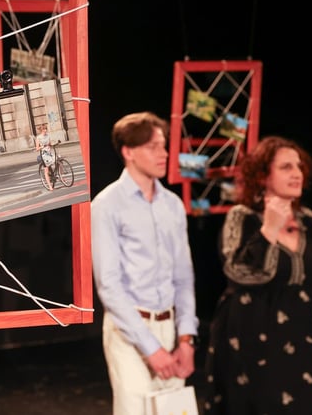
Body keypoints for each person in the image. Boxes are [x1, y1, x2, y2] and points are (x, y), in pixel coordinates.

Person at [198, 135, 312, 415]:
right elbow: (237, 271)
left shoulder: (309, 221)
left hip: (300, 340)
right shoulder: (242, 217)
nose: (297, 173)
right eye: (286, 167)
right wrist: (269, 230)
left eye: (299, 167)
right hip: (249, 339)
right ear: (263, 176)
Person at [91, 112, 199, 415]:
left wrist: (186, 339)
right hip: (129, 331)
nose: (164, 154)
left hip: (170, 328)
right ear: (129, 152)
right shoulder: (107, 205)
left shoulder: (172, 205)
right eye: (153, 147)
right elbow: (109, 286)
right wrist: (151, 348)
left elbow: (184, 278)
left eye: (163, 146)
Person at [34, 124, 54, 190]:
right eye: (44, 129)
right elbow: (37, 148)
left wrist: (53, 144)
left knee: (59, 159)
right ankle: (50, 186)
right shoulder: (38, 137)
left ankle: (62, 177)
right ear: (41, 130)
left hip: (49, 152)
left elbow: (50, 144)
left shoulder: (48, 136)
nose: (45, 130)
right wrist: (42, 147)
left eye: (46, 129)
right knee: (46, 170)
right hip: (44, 155)